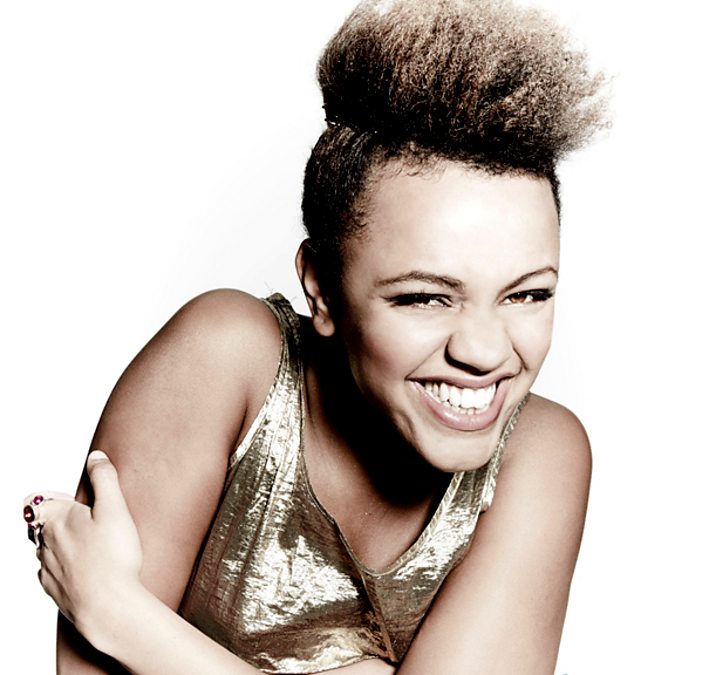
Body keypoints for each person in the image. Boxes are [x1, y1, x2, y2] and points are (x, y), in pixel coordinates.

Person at [23, 0, 607, 672]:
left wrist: (120, 616)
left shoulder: (542, 453)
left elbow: (111, 634)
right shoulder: (224, 358)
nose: (484, 351)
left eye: (527, 294)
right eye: (424, 297)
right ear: (322, 289)